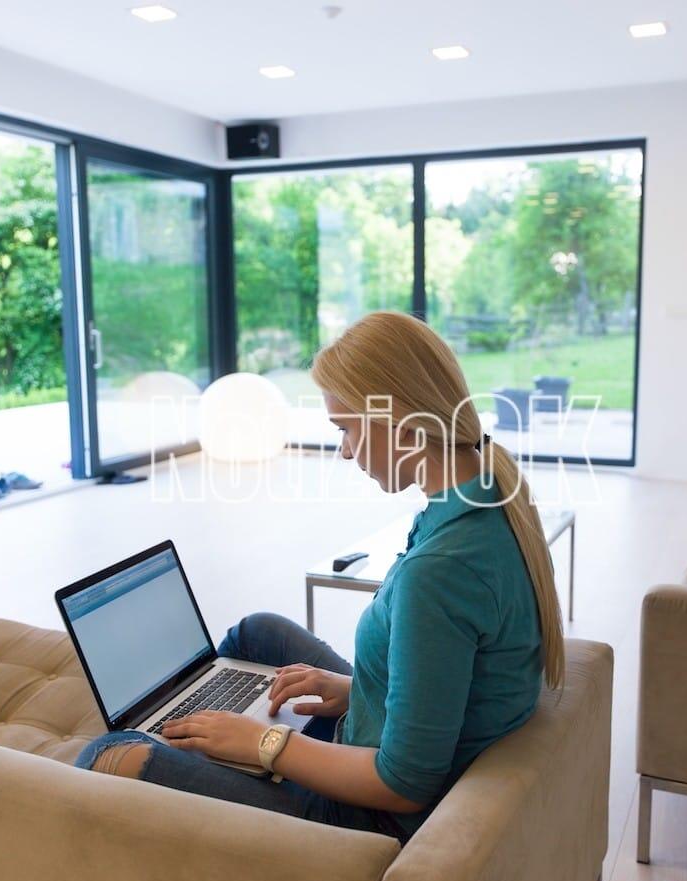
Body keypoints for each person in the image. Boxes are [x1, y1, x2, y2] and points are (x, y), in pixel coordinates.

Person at [76, 311, 565, 843]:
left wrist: (262, 746)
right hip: (382, 737)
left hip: (367, 811)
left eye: (346, 430)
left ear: (396, 418)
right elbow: (455, 673)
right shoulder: (485, 495)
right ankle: (208, 725)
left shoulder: (440, 572)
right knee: (255, 633)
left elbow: (404, 785)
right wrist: (355, 691)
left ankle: (205, 747)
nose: (347, 450)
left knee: (107, 754)